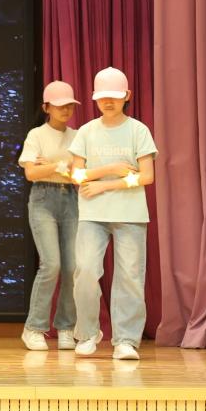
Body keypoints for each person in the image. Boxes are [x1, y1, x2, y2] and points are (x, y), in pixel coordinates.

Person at [69, 67, 157, 360]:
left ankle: (126, 340)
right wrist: (111, 169)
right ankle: (87, 333)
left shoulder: (138, 130)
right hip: (92, 214)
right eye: (103, 97)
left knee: (130, 276)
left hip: (130, 213)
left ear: (127, 96)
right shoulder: (86, 131)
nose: (108, 102)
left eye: (114, 96)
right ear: (94, 97)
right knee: (85, 271)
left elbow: (147, 176)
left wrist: (105, 185)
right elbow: (75, 175)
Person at [17, 81, 81, 351]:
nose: (65, 110)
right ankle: (34, 328)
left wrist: (52, 165)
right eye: (59, 105)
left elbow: (79, 175)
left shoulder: (78, 135)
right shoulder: (36, 135)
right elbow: (31, 173)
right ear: (46, 108)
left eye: (69, 105)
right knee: (51, 264)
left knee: (72, 267)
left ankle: (66, 327)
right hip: (43, 199)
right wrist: (62, 166)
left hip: (72, 199)